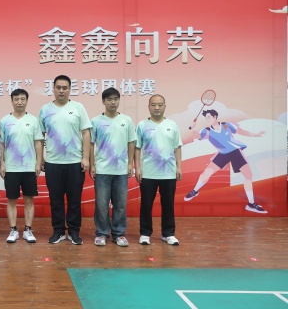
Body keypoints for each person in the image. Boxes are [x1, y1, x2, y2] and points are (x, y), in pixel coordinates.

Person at [39, 75, 92, 245]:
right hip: (53, 163)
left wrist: (85, 157)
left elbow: (86, 133)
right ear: (53, 89)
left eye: (65, 88)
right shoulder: (45, 110)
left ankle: (74, 231)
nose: (61, 91)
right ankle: (58, 231)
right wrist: (41, 159)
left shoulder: (78, 107)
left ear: (69, 89)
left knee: (74, 200)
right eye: (58, 87)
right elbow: (40, 136)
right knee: (55, 200)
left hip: (75, 162)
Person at [184, 109, 267, 214]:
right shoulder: (207, 131)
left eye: (209, 117)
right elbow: (196, 136)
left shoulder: (226, 125)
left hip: (235, 152)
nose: (207, 119)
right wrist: (192, 127)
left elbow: (241, 131)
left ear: (215, 117)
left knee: (248, 175)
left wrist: (255, 134)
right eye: (206, 118)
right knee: (207, 173)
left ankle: (251, 204)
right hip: (223, 154)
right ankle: (194, 191)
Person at [89, 87, 136, 247]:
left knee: (120, 204)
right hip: (102, 170)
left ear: (119, 101)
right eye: (109, 99)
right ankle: (102, 233)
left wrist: (130, 163)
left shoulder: (126, 120)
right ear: (103, 101)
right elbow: (91, 144)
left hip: (121, 170)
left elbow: (131, 142)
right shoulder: (96, 121)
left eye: (115, 99)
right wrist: (92, 165)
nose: (113, 102)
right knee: (101, 205)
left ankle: (119, 234)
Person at [135, 94, 182, 246]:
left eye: (160, 105)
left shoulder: (172, 125)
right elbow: (137, 148)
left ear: (164, 107)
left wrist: (179, 167)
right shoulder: (142, 125)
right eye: (153, 105)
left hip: (168, 172)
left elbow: (177, 147)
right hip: (148, 173)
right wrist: (137, 168)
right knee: (146, 204)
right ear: (148, 107)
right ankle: (145, 233)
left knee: (168, 204)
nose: (157, 108)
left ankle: (168, 234)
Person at [0, 89, 44, 243]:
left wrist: (38, 162)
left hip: (29, 167)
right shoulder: (5, 121)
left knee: (29, 200)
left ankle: (28, 230)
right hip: (11, 167)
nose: (19, 102)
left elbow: (38, 142)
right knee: (11, 199)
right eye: (16, 99)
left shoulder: (33, 120)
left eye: (22, 99)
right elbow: (2, 144)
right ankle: (13, 230)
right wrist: (2, 163)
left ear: (27, 101)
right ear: (12, 101)